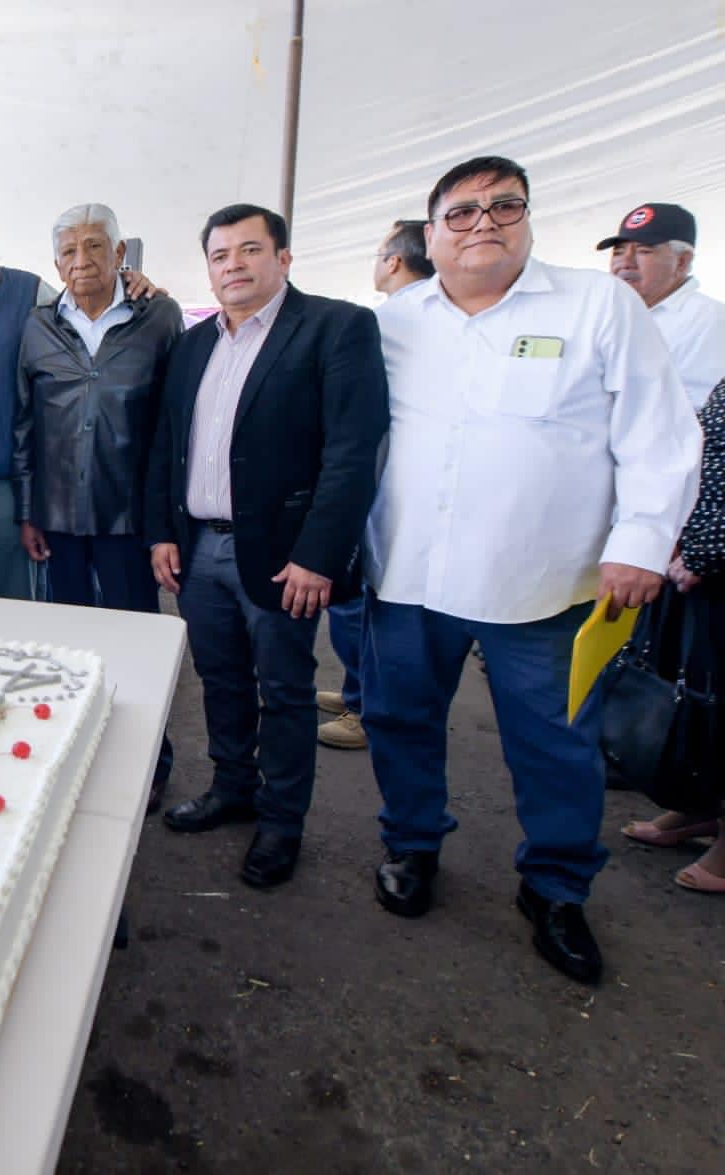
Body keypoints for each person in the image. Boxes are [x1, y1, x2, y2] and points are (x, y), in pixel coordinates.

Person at [361, 156, 702, 984]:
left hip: (542, 585)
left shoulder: (597, 307)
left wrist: (641, 541)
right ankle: (412, 845)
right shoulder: (395, 320)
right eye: (463, 211)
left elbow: (658, 433)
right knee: (398, 719)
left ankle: (554, 886)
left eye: (504, 207)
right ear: (430, 232)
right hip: (407, 574)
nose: (485, 223)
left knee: (556, 744)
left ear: (529, 220)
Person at [145, 203, 389, 889]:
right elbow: (168, 444)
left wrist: (319, 553)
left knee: (284, 690)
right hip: (200, 550)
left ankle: (282, 822)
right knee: (219, 680)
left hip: (286, 557)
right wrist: (163, 530)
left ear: (283, 258)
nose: (234, 266)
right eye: (221, 256)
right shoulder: (193, 345)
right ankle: (232, 787)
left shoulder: (336, 328)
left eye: (250, 250)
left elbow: (352, 450)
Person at [0, 186, 158, 600]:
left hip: (6, 491)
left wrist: (128, 280)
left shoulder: (30, 291)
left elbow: (86, 299)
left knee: (16, 612)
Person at [15, 202, 183, 811]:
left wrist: (166, 521)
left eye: (94, 247)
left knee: (136, 645)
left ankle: (151, 761)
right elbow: (24, 423)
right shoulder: (37, 326)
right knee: (73, 645)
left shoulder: (158, 316)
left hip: (128, 517)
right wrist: (30, 509)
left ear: (120, 255)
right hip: (58, 517)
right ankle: (80, 748)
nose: (80, 261)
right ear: (54, 262)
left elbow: (174, 422)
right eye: (67, 251)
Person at [318, 219, 435, 753]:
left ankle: (368, 708)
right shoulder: (408, 316)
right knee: (360, 605)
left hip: (379, 490)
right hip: (385, 489)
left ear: (393, 262)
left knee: (361, 605)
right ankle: (357, 692)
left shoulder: (388, 320)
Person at [620, 373, 725, 892]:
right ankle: (700, 806)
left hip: (713, 559)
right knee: (699, 700)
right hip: (702, 563)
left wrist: (705, 549)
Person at [596, 203, 725, 411]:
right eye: (618, 252)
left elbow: (697, 410)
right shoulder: (606, 315)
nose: (625, 263)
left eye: (643, 251)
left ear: (682, 262)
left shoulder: (710, 320)